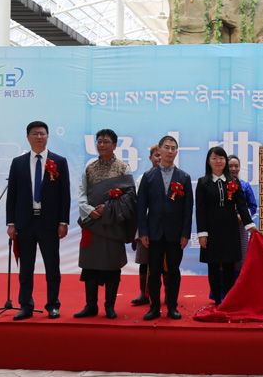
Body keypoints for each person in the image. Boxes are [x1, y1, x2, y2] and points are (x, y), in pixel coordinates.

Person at [6, 121, 71, 320]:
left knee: (52, 266)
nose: (39, 137)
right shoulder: (18, 163)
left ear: (48, 136)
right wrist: (11, 223)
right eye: (35, 133)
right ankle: (25, 305)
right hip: (25, 222)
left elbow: (65, 195)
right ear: (28, 137)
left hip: (49, 223)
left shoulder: (59, 161)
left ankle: (53, 305)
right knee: (26, 267)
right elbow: (12, 195)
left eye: (42, 133)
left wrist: (63, 222)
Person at [75, 129, 137, 319]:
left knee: (112, 266)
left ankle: (110, 306)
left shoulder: (123, 168)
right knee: (89, 266)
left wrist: (107, 208)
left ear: (115, 145)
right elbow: (82, 194)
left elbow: (130, 198)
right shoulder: (90, 168)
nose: (101, 145)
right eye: (99, 141)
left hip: (112, 224)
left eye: (106, 142)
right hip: (92, 223)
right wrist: (89, 210)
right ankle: (90, 306)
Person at [137, 136, 193, 320]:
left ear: (176, 152)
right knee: (154, 271)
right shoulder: (148, 177)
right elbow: (141, 207)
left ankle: (172, 307)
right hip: (153, 233)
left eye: (173, 148)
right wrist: (143, 232)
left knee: (173, 271)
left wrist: (185, 234)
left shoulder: (184, 177)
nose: (170, 151)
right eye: (167, 147)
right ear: (159, 150)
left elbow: (188, 209)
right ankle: (154, 308)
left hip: (175, 234)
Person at [197, 148, 258, 304]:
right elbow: (200, 210)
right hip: (211, 231)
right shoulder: (203, 182)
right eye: (214, 158)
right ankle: (217, 300)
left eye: (221, 158)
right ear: (208, 161)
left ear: (225, 161)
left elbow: (242, 206)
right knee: (213, 266)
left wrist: (249, 224)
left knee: (229, 265)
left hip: (230, 230)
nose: (218, 161)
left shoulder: (233, 181)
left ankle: (229, 300)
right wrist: (202, 233)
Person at [131, 145, 163, 306]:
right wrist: (136, 232)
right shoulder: (143, 178)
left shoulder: (174, 177)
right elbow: (138, 206)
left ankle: (168, 295)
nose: (159, 158)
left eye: (161, 155)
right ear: (150, 158)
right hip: (145, 227)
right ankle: (143, 294)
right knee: (144, 262)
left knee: (165, 264)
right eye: (156, 155)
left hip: (164, 227)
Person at [227, 154, 257, 275]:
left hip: (241, 225)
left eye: (236, 166)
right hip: (225, 226)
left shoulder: (245, 185)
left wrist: (242, 216)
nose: (233, 169)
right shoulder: (220, 185)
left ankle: (239, 281)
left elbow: (253, 206)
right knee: (226, 255)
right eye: (230, 166)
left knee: (242, 255)